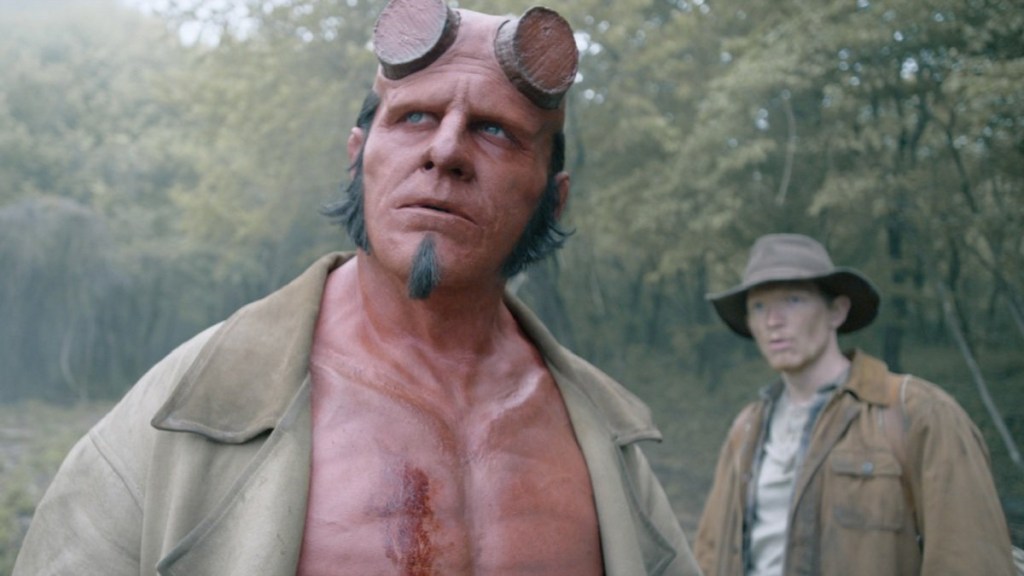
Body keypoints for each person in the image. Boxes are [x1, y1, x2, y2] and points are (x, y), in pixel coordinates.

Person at [13, 1, 702, 574]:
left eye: (496, 130)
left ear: (554, 198)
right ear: (357, 157)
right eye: (415, 117)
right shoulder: (188, 410)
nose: (446, 151)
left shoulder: (605, 441)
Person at [693, 232, 1016, 576]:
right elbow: (709, 555)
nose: (773, 320)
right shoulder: (747, 428)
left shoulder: (919, 413)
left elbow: (969, 560)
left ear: (836, 311)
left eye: (793, 300)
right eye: (758, 307)